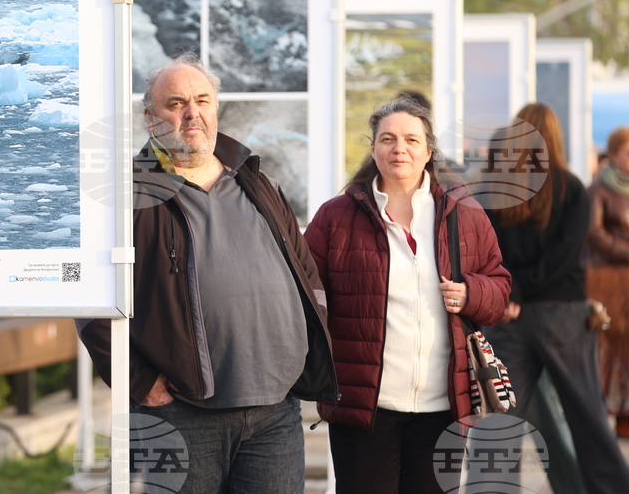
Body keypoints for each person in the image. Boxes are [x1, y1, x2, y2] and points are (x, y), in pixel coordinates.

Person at [77, 54, 338, 493]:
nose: (191, 113)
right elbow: (89, 299)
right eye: (175, 103)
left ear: (216, 108)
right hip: (179, 413)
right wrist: (140, 380)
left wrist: (307, 346)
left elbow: (305, 273)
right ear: (149, 117)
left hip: (275, 409)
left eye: (202, 100)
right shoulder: (125, 195)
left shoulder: (258, 182)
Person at [303, 96, 511, 494]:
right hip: (365, 407)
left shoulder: (464, 213)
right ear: (373, 148)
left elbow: (499, 288)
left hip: (443, 407)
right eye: (388, 139)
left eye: (411, 140)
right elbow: (305, 294)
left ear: (428, 151)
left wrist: (471, 293)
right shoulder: (335, 217)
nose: (400, 148)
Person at [483, 105, 629, 492]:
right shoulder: (572, 188)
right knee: (588, 416)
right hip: (562, 314)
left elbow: (488, 252)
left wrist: (510, 294)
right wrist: (526, 291)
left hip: (509, 317)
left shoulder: (497, 191)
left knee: (500, 421)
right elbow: (565, 256)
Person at [586, 125, 629, 437]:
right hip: (608, 281)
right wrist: (627, 251)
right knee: (609, 345)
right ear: (614, 155)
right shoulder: (599, 189)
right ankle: (605, 413)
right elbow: (593, 233)